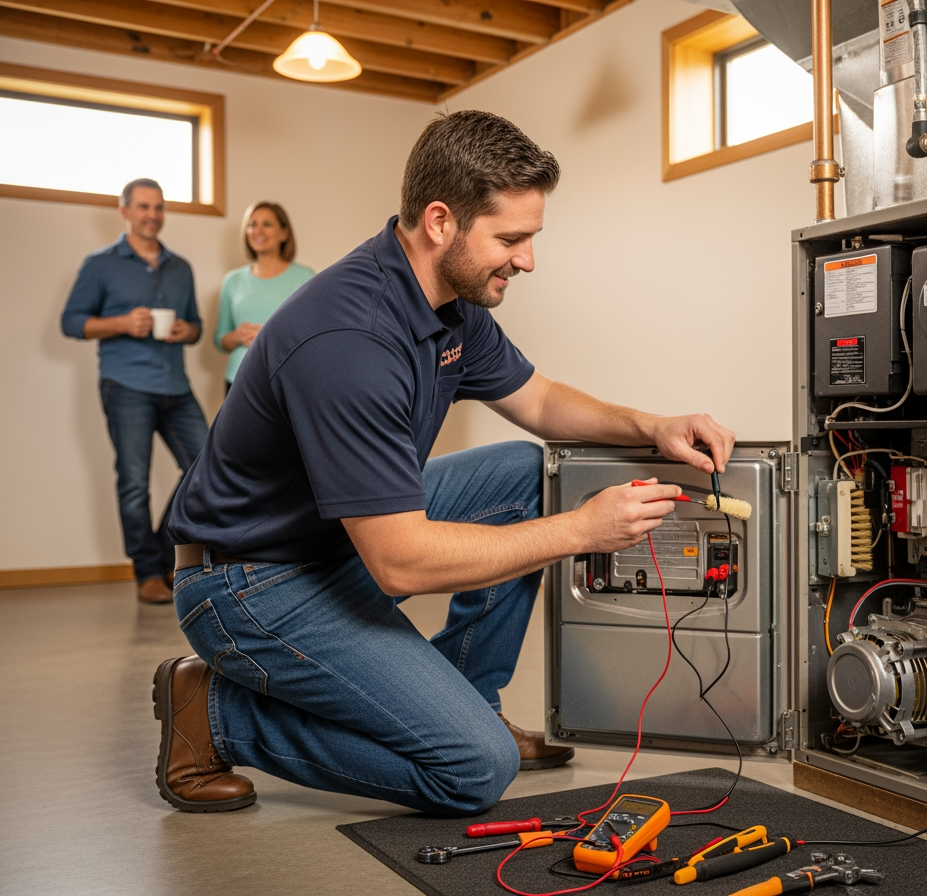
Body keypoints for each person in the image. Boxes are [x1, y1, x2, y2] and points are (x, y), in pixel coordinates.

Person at [156, 110, 734, 816]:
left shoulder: (448, 301)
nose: (527, 260)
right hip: (250, 582)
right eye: (511, 239)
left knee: (526, 472)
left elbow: (541, 400)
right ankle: (216, 714)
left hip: (331, 542)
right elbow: (400, 562)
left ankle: (473, 698)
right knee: (471, 771)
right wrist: (581, 530)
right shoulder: (350, 340)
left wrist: (652, 423)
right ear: (439, 222)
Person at [61, 178, 209, 605]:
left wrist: (187, 330)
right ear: (125, 211)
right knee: (133, 483)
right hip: (126, 386)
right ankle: (147, 572)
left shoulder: (180, 267)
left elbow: (196, 325)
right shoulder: (100, 264)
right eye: (144, 207)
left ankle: (165, 557)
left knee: (203, 468)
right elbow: (72, 323)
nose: (152, 215)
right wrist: (122, 323)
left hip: (176, 387)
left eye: (159, 207)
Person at [215, 202, 314, 395]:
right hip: (237, 381)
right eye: (252, 224)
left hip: (286, 381)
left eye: (267, 224)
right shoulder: (232, 280)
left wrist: (267, 335)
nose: (257, 230)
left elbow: (312, 336)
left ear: (284, 233)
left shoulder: (305, 277)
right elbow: (220, 339)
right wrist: (238, 336)